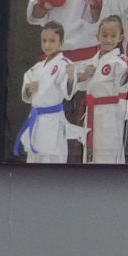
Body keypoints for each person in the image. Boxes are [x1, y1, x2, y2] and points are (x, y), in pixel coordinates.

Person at [74, 15, 128, 161]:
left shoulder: (119, 62)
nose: (108, 39)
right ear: (98, 36)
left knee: (107, 152)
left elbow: (125, 85)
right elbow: (79, 83)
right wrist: (84, 76)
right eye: (104, 35)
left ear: (120, 38)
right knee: (90, 153)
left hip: (109, 114)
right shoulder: (92, 61)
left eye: (113, 36)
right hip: (92, 113)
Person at [18, 22, 76, 162]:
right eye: (44, 40)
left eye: (52, 41)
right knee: (34, 157)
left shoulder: (64, 64)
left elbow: (67, 93)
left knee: (51, 158)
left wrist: (71, 77)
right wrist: (28, 89)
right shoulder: (37, 67)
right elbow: (27, 85)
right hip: (36, 118)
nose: (47, 45)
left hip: (53, 120)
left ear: (61, 42)